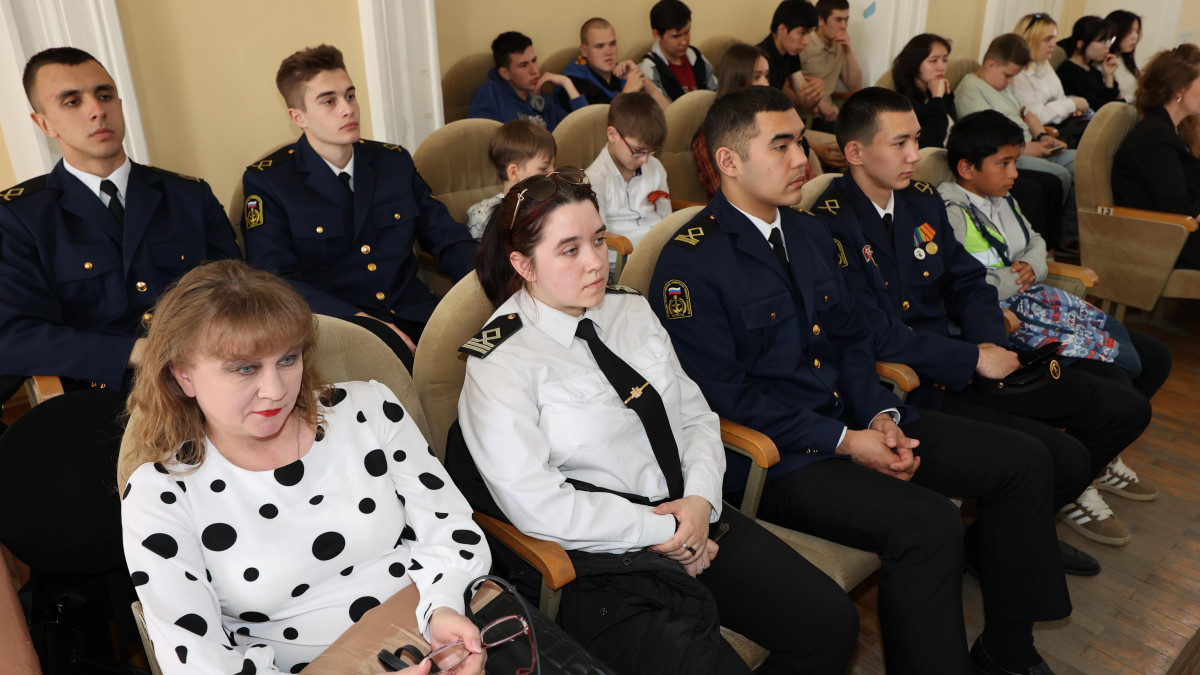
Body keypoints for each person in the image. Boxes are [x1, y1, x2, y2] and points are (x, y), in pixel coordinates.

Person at [651, 85, 1070, 675]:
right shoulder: (691, 262)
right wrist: (846, 441)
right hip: (781, 457)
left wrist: (880, 415)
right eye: (781, 145)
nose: (801, 159)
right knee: (929, 524)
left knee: (1022, 463)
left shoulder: (806, 232)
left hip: (854, 417)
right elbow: (724, 397)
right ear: (729, 161)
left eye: (801, 141)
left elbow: (851, 340)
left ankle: (1008, 648)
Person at [457, 168, 858, 675]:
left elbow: (695, 415)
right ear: (523, 264)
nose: (596, 262)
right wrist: (665, 529)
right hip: (606, 559)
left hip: (693, 510)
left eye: (598, 240)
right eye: (569, 249)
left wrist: (701, 501)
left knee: (831, 623)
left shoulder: (631, 310)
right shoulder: (500, 362)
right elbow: (537, 504)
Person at [815, 87, 1153, 550]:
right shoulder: (829, 223)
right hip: (916, 382)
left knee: (1124, 409)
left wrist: (989, 342)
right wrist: (973, 357)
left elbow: (967, 281)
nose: (915, 155)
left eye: (916, 139)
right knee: (1058, 456)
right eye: (900, 143)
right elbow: (871, 332)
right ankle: (1001, 547)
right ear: (855, 152)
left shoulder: (919, 200)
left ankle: (1016, 534)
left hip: (966, 358)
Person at [120, 260, 491, 674]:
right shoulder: (160, 494)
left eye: (287, 359)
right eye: (245, 368)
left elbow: (450, 527)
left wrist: (443, 608)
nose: (275, 390)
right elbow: (198, 660)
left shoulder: (369, 408)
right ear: (183, 376)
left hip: (433, 633)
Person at [0, 45, 241, 666]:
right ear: (43, 122)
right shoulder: (22, 216)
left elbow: (238, 295)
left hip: (209, 388)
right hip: (103, 404)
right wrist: (131, 350)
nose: (95, 110)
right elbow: (14, 335)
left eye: (104, 94)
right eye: (72, 100)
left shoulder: (186, 195)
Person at [938, 109, 1168, 503]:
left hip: (1035, 304)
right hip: (1003, 320)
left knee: (1156, 358)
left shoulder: (1002, 198)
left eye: (1015, 161)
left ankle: (1097, 457)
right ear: (966, 168)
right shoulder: (949, 211)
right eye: (1004, 163)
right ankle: (1076, 479)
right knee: (1117, 382)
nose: (1014, 173)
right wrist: (1016, 277)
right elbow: (961, 283)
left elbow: (1036, 241)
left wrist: (1034, 265)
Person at [241, 45, 477, 373]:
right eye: (329, 101)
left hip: (420, 317)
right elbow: (275, 280)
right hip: (338, 333)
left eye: (350, 96)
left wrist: (492, 282)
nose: (347, 109)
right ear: (298, 117)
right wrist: (360, 323)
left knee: (499, 360)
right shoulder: (270, 183)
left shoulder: (393, 162)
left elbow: (447, 238)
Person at [892, 33, 1066, 242]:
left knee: (1051, 183)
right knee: (1033, 190)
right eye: (934, 60)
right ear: (914, 64)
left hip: (964, 156)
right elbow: (931, 140)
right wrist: (937, 99)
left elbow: (956, 128)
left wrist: (940, 97)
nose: (941, 66)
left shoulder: (940, 91)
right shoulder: (905, 103)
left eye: (945, 60)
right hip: (953, 165)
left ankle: (1044, 250)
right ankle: (1020, 247)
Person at [956, 33, 1078, 250]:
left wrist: (1041, 135)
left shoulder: (1003, 86)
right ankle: (1053, 240)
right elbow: (985, 140)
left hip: (1031, 145)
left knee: (1079, 161)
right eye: (1008, 75)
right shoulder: (971, 89)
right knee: (1060, 176)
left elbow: (1026, 112)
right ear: (990, 65)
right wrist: (1027, 148)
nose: (1010, 81)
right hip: (1012, 153)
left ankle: (1066, 233)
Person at [1112, 43, 1200, 269]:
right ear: (1179, 90)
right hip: (1163, 241)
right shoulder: (1155, 137)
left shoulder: (1172, 129)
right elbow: (1180, 210)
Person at [693, 43, 815, 200]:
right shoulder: (713, 136)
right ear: (736, 79)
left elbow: (810, 181)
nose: (766, 83)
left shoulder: (777, 122)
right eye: (757, 76)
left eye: (767, 75)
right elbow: (733, 197)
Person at [585, 91, 671, 271]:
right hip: (621, 260)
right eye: (638, 151)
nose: (645, 159)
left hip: (659, 251)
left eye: (651, 151)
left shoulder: (655, 167)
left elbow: (667, 219)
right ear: (612, 134)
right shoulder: (595, 179)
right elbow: (597, 238)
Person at [469, 32, 587, 131]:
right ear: (505, 73)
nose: (534, 70)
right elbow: (481, 139)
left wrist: (567, 83)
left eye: (534, 60)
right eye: (523, 65)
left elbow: (582, 130)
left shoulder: (541, 98)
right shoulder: (490, 93)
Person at [1010, 13, 1092, 148]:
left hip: (1064, 123)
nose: (1054, 44)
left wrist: (1070, 108)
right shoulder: (1018, 74)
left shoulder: (1042, 62)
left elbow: (1060, 97)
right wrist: (1071, 104)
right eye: (1048, 39)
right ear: (1030, 40)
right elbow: (1037, 116)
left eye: (1054, 38)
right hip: (1047, 133)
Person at [466, 120, 556, 240]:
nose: (553, 173)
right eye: (543, 168)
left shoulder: (552, 204)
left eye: (553, 165)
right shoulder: (485, 215)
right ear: (514, 172)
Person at [559, 17, 670, 110]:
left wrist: (642, 79)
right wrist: (627, 93)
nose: (609, 52)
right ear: (584, 50)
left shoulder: (623, 73)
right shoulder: (574, 84)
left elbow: (669, 114)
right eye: (600, 46)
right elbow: (599, 126)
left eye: (612, 44)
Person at [801, 0, 863, 133]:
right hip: (808, 116)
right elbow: (789, 86)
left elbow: (855, 87)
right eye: (838, 20)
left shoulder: (839, 46)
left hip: (831, 116)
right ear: (820, 20)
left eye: (846, 20)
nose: (844, 26)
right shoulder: (804, 43)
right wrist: (818, 104)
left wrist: (848, 51)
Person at [638, 0, 718, 102]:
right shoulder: (649, 70)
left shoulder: (695, 56)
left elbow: (716, 92)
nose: (684, 42)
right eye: (676, 36)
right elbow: (664, 110)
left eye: (687, 32)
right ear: (657, 35)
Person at [757, 0, 823, 110]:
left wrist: (816, 91)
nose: (806, 42)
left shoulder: (791, 54)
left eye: (809, 34)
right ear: (782, 29)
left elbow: (806, 103)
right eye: (802, 33)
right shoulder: (759, 58)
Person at [1056, 16, 1124, 113]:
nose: (1108, 46)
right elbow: (1097, 107)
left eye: (1109, 41)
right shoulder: (1067, 71)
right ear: (1081, 44)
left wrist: (1109, 76)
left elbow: (1109, 101)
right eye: (1102, 41)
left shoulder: (1094, 71)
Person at [1107, 10, 1143, 101]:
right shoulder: (1104, 62)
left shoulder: (1129, 61)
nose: (1135, 37)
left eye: (1137, 31)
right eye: (1129, 31)